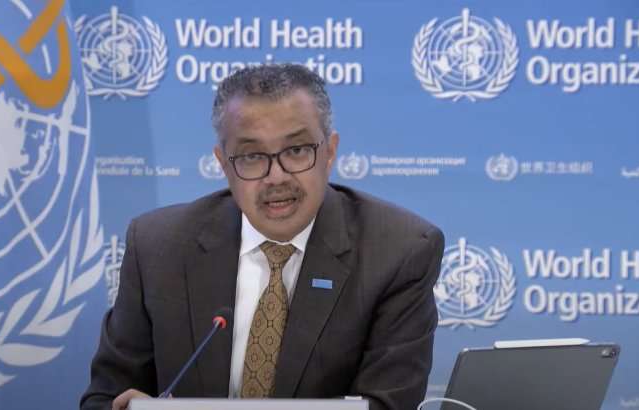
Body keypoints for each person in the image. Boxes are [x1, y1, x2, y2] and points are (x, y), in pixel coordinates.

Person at [80, 64, 445, 410]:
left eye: (297, 150)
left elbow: (386, 405)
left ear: (330, 152)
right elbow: (105, 397)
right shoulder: (158, 247)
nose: (276, 177)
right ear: (223, 165)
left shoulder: (397, 253)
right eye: (252, 156)